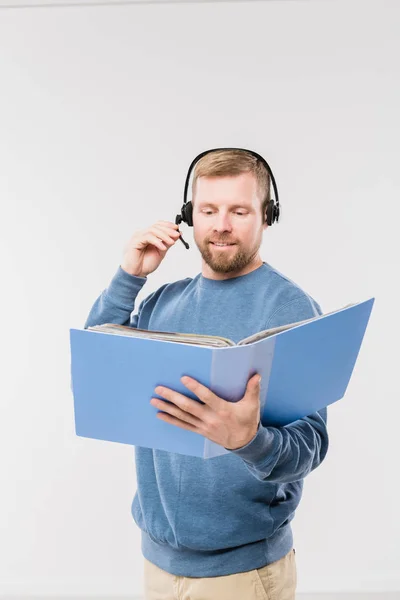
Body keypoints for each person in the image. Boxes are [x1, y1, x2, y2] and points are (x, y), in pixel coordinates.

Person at [84, 148, 329, 600]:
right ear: (188, 216)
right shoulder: (160, 303)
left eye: (239, 210)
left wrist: (247, 441)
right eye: (208, 210)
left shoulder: (293, 309)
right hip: (157, 564)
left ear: (267, 217)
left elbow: (311, 447)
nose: (220, 225)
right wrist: (128, 276)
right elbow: (98, 374)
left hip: (244, 574)